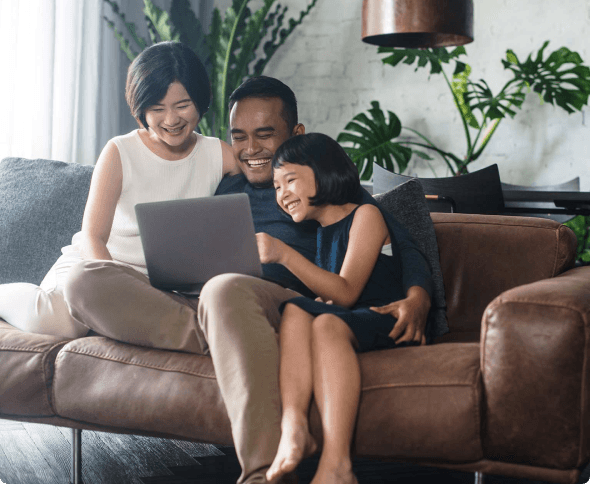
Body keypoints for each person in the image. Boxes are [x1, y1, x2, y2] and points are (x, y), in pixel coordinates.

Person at [65, 75, 435, 484]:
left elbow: (404, 242)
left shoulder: (315, 181)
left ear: (295, 134)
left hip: (274, 306)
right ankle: (228, 339)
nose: (250, 149)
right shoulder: (225, 181)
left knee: (225, 288)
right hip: (207, 303)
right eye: (238, 136)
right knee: (83, 281)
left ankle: (260, 471)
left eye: (264, 135)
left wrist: (418, 297)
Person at [0, 41, 238, 338]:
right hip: (95, 266)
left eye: (182, 105)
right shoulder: (120, 151)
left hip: (157, 284)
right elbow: (92, 236)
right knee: (60, 323)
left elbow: (267, 174)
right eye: (157, 109)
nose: (171, 119)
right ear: (141, 109)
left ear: (200, 101)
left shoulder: (217, 153)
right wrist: (112, 287)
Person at [257, 133, 415, 484]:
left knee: (325, 324)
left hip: (386, 320)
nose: (281, 194)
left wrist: (284, 254)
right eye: (276, 186)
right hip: (356, 320)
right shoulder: (322, 233)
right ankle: (294, 424)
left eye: (290, 180)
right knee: (296, 310)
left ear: (323, 171)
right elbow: (335, 298)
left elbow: (346, 293)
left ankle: (337, 465)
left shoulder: (367, 216)